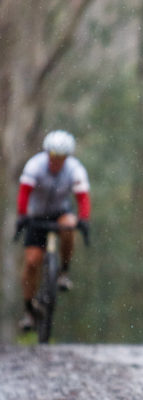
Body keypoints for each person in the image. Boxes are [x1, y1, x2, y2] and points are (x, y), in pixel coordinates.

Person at [15, 130, 91, 331]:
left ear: (68, 157)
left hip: (60, 212)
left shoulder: (75, 169)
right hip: (36, 215)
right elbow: (24, 192)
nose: (56, 161)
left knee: (69, 224)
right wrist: (22, 215)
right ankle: (29, 309)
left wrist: (84, 219)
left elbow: (82, 196)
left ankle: (63, 271)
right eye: (53, 156)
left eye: (61, 157)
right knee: (31, 262)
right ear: (47, 153)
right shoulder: (35, 165)